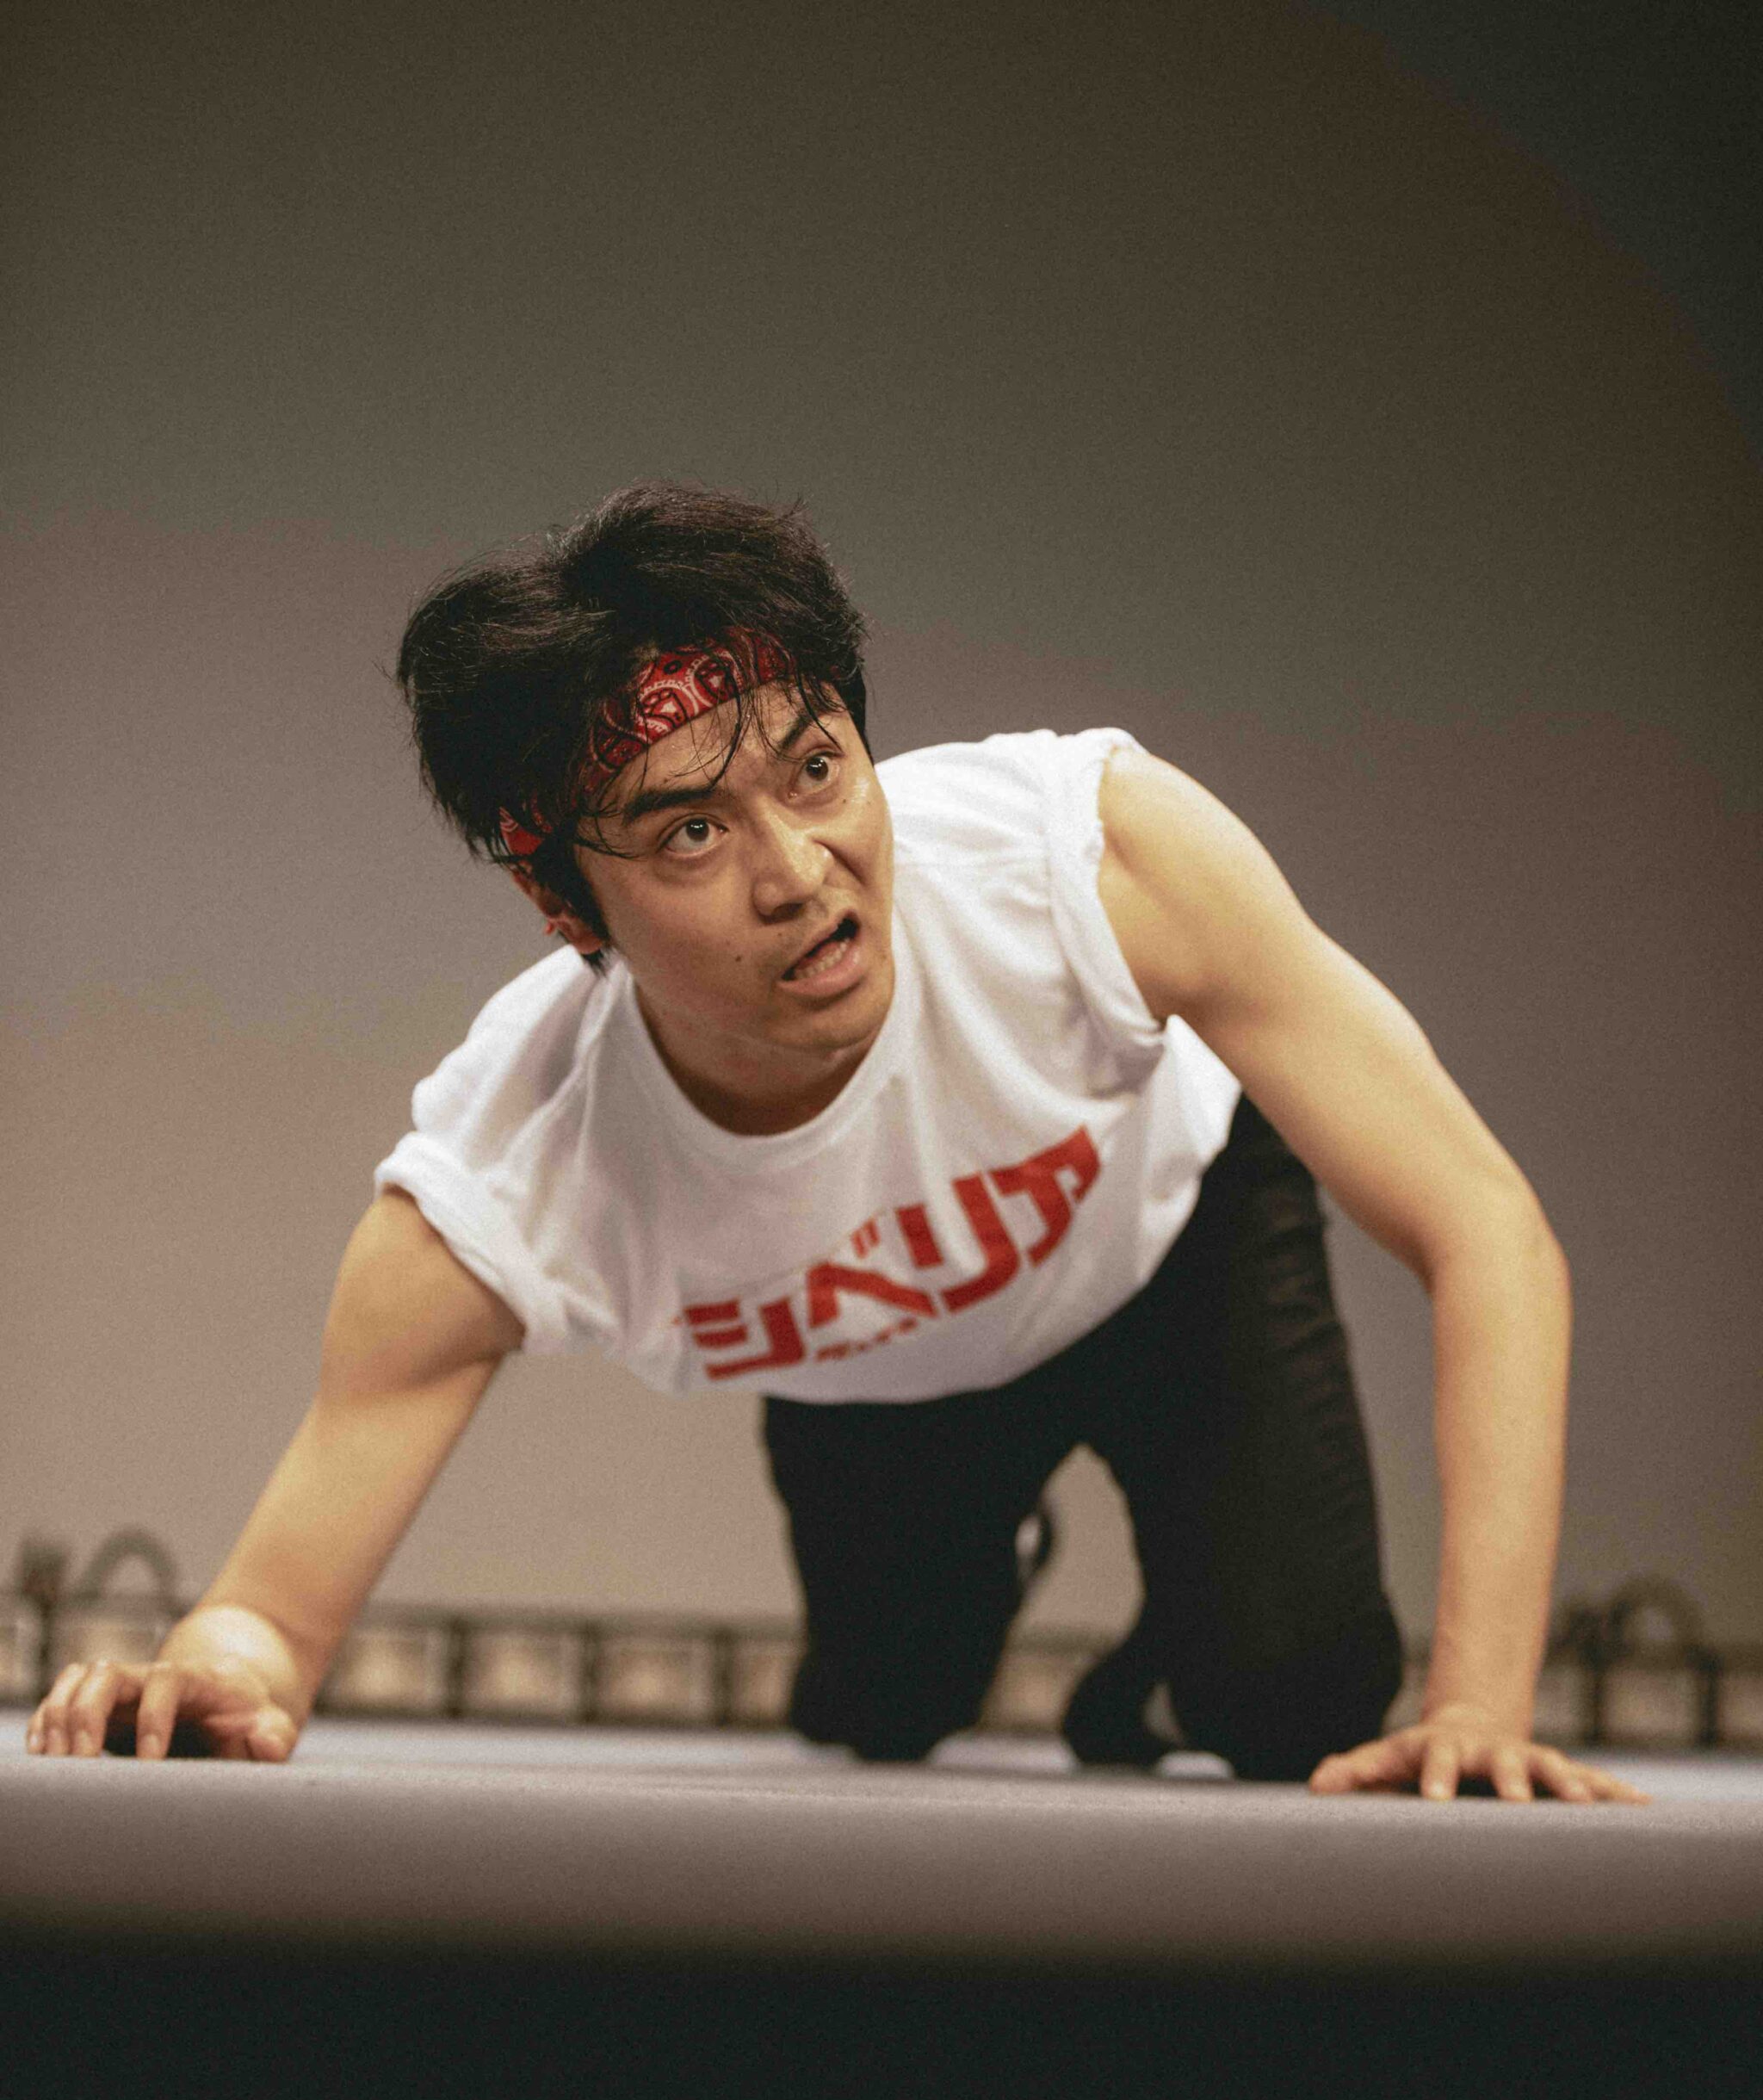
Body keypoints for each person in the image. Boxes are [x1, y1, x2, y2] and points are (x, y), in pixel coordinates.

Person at [28, 482, 1644, 1805]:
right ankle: (973, 1570)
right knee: (884, 1713)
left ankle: (1160, 1675)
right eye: (689, 831)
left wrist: (1480, 1709)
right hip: (875, 1367)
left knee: (1297, 1698)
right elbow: (269, 1618)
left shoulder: (1092, 861)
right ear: (567, 905)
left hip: (1166, 1251)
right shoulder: (517, 1156)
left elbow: (1486, 1228)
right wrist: (208, 1676)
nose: (800, 873)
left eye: (815, 770)